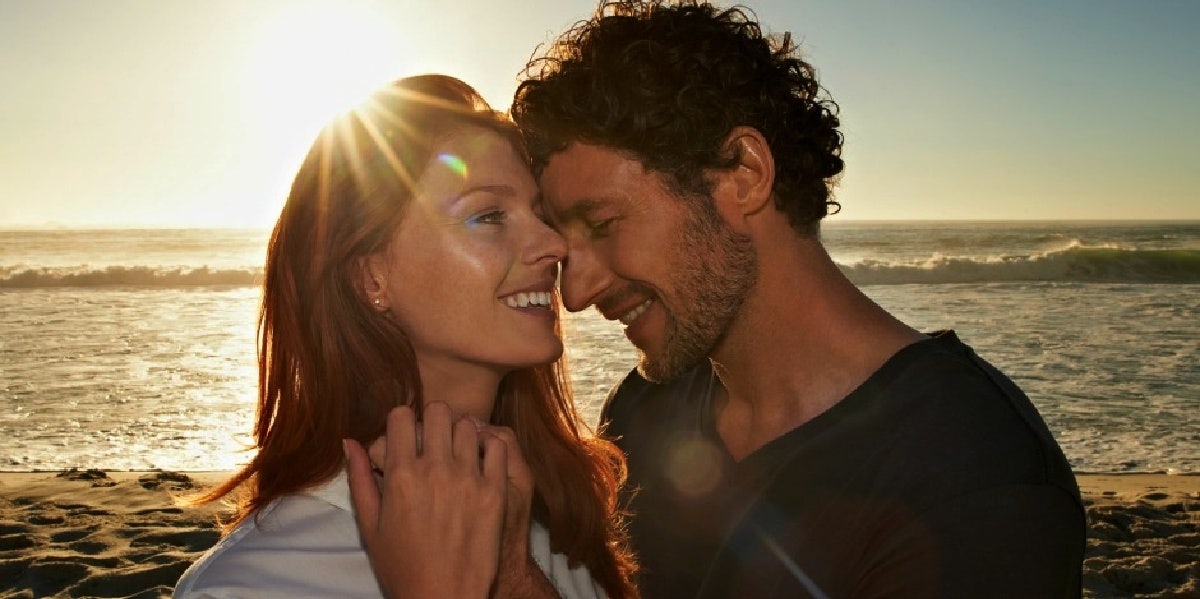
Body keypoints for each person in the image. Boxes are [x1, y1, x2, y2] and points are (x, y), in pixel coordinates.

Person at [506, 1, 1087, 597]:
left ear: (745, 173)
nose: (574, 293)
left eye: (601, 224)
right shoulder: (644, 412)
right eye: (562, 246)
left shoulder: (977, 479)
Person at [173, 74, 637, 599]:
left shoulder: (551, 523)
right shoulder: (254, 586)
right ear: (371, 277)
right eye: (489, 216)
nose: (552, 244)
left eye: (541, 215)